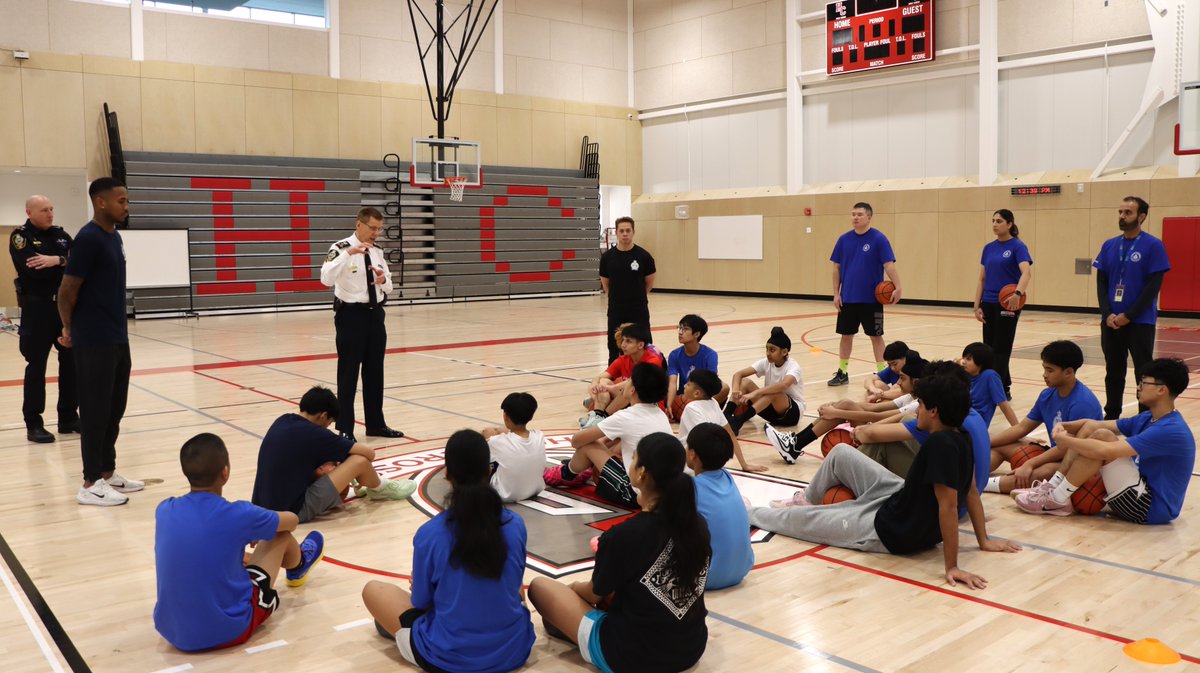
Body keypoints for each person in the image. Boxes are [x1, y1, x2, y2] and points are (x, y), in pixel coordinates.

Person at [747, 374, 1021, 589]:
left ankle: (747, 513)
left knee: (803, 521)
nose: (917, 411)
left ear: (934, 411)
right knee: (841, 453)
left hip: (892, 530)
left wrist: (952, 566)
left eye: (921, 406)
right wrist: (983, 540)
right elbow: (971, 491)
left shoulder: (941, 445)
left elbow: (948, 507)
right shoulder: (961, 435)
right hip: (900, 499)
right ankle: (808, 497)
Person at [529, 432, 710, 673]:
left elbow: (594, 593)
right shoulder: (698, 524)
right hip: (691, 648)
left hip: (632, 657)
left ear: (641, 472)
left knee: (540, 587)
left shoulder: (623, 535)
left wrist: (571, 589)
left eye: (633, 458)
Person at [363, 430, 535, 673]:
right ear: (489, 471)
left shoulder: (430, 534)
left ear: (447, 474)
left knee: (373, 590)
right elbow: (516, 587)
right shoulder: (515, 524)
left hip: (447, 659)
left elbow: (421, 602)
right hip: (513, 651)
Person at [154, 433, 324, 652]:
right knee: (280, 535)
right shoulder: (240, 514)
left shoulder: (164, 509)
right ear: (225, 472)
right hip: (229, 629)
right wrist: (261, 526)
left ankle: (284, 564)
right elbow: (292, 520)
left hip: (172, 630)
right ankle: (298, 566)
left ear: (186, 472)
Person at [1015, 358, 1194, 521]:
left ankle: (1057, 497)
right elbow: (1093, 424)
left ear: (1162, 390)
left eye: (1144, 382)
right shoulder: (1149, 417)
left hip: (1149, 507)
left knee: (1102, 439)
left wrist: (1066, 441)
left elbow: (1105, 451)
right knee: (1097, 431)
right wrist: (1065, 426)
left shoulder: (1170, 430)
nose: (1139, 387)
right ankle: (1054, 486)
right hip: (1139, 488)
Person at [57, 177, 143, 506]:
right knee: (94, 411)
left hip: (117, 336)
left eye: (127, 200)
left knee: (114, 408)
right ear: (101, 202)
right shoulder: (88, 238)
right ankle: (90, 482)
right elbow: (67, 290)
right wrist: (69, 328)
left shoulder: (114, 237)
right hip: (93, 339)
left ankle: (107, 471)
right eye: (121, 201)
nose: (126, 206)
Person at [251, 386, 416, 523]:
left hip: (262, 507)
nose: (328, 427)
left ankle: (368, 484)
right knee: (359, 461)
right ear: (323, 416)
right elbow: (369, 454)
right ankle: (379, 488)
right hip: (291, 513)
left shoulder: (283, 420)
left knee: (333, 462)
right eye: (330, 422)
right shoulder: (316, 433)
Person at [320, 206, 403, 442]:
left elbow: (389, 287)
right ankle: (345, 427)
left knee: (375, 372)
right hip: (351, 316)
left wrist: (383, 279)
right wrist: (348, 254)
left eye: (379, 229)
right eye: (372, 228)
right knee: (348, 374)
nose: (376, 233)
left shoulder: (377, 252)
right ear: (359, 224)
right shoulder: (340, 248)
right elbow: (325, 279)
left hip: (375, 316)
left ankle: (376, 424)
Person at [546, 363, 672, 509]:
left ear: (632, 390)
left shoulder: (625, 416)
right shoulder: (660, 414)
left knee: (588, 445)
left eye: (629, 380)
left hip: (634, 494)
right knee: (615, 441)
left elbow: (576, 441)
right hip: (661, 490)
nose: (624, 383)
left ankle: (567, 473)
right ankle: (584, 465)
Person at [985, 341, 1103, 495]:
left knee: (1044, 472)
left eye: (1050, 370)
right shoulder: (1047, 395)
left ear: (1068, 372)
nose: (1044, 375)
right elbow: (1021, 428)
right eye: (1044, 369)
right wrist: (986, 443)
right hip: (1056, 455)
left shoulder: (1083, 403)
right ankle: (970, 473)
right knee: (1000, 445)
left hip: (1077, 463)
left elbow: (1067, 449)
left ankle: (979, 484)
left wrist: (1030, 463)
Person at [768, 355, 928, 464]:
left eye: (902, 378)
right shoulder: (909, 397)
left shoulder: (918, 404)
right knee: (845, 403)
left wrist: (837, 412)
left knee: (844, 407)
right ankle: (795, 443)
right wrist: (834, 404)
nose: (898, 383)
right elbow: (872, 408)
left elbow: (878, 417)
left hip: (890, 442)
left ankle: (795, 445)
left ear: (915, 382)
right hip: (885, 433)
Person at [1093, 196, 1170, 419]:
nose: (1122, 216)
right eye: (1120, 212)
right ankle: (1111, 415)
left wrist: (1129, 315)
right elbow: (1101, 282)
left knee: (1144, 373)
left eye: (1128, 212)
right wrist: (1107, 314)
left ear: (1141, 216)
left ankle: (1145, 416)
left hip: (1140, 322)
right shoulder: (1109, 245)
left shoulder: (1153, 245)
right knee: (1113, 370)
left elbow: (1153, 287)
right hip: (1111, 322)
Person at [10, 194, 77, 443]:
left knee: (71, 364)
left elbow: (79, 264)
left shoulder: (62, 235)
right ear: (29, 212)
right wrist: (62, 267)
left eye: (51, 209)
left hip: (64, 308)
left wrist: (56, 260)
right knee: (36, 366)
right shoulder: (21, 237)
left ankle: (68, 417)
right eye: (44, 210)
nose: (50, 214)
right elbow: (34, 271)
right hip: (37, 309)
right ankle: (34, 423)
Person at [827, 202, 902, 386]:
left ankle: (883, 373)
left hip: (872, 300)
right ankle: (842, 372)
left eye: (859, 214)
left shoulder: (879, 239)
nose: (855, 217)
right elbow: (836, 268)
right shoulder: (843, 240)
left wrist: (898, 286)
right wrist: (836, 293)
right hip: (848, 298)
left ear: (869, 217)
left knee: (876, 336)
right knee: (846, 336)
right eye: (853, 214)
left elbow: (889, 265)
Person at [685, 422, 754, 589]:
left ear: (692, 454)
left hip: (707, 578)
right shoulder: (727, 476)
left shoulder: (691, 488)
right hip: (742, 570)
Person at [972, 209, 1032, 400]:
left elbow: (1026, 273)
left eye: (999, 221)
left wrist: (1017, 293)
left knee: (1001, 348)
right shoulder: (988, 248)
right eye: (993, 221)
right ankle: (1003, 386)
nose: (995, 224)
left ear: (1010, 224)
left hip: (1008, 304)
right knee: (989, 348)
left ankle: (996, 390)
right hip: (988, 302)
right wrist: (977, 305)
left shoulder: (1018, 246)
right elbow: (982, 279)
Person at [677, 369, 766, 473]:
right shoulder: (713, 402)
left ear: (697, 393)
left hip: (691, 466)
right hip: (712, 466)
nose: (684, 386)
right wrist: (744, 465)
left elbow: (701, 441)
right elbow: (730, 433)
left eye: (688, 384)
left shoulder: (691, 408)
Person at [580, 322, 664, 428]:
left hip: (649, 406)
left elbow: (633, 382)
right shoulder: (623, 359)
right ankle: (597, 415)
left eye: (628, 341)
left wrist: (608, 388)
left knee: (629, 389)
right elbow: (600, 377)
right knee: (604, 382)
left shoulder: (652, 360)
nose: (623, 344)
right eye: (623, 340)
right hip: (629, 404)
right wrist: (595, 386)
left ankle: (602, 416)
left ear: (640, 345)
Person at [725, 326, 805, 436]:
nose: (768, 353)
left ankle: (738, 421)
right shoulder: (766, 362)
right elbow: (738, 374)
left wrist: (755, 393)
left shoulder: (793, 366)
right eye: (767, 349)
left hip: (791, 415)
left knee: (775, 392)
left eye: (772, 350)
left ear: (784, 352)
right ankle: (725, 417)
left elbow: (784, 385)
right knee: (744, 382)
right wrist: (735, 389)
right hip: (771, 410)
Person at [599, 216, 656, 364]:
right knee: (614, 344)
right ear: (616, 233)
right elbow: (606, 283)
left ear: (633, 232)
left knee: (643, 342)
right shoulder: (607, 258)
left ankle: (644, 372)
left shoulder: (644, 256)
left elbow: (649, 283)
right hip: (616, 309)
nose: (625, 234)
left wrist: (637, 297)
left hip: (638, 309)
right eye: (622, 231)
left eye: (628, 230)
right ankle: (614, 373)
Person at [481, 392, 546, 502]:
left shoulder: (496, 442)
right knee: (500, 431)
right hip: (535, 489)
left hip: (504, 494)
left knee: (487, 432)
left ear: (505, 416)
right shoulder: (539, 436)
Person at [666, 314, 728, 421]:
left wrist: (697, 402)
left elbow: (711, 383)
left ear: (697, 334)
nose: (680, 332)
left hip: (702, 396)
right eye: (679, 328)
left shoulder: (710, 355)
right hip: (685, 394)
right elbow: (672, 382)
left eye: (685, 329)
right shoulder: (674, 355)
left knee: (724, 388)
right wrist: (669, 405)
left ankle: (702, 411)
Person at [960, 342, 1018, 427]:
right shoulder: (965, 374)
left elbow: (1004, 405)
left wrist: (1018, 429)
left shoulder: (990, 376)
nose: (963, 362)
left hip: (975, 423)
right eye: (963, 358)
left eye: (968, 359)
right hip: (962, 419)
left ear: (980, 363)